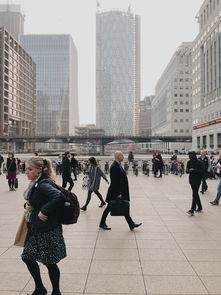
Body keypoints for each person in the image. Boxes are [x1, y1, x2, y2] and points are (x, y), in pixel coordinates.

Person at [21, 157, 66, 295]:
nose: (26, 172)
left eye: (29, 169)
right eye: (26, 169)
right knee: (27, 257)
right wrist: (30, 206)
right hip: (38, 229)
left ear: (39, 170)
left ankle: (56, 292)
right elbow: (36, 201)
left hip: (46, 230)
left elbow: (59, 197)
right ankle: (40, 288)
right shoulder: (36, 183)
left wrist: (43, 211)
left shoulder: (42, 184)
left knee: (50, 262)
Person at [99, 151, 142, 231]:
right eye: (122, 155)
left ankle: (131, 224)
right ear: (118, 156)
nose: (123, 157)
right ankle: (102, 223)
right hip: (115, 192)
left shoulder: (117, 165)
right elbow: (115, 181)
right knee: (109, 208)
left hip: (118, 191)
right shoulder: (114, 166)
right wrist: (118, 193)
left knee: (123, 207)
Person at [186, 151, 205, 216]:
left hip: (197, 180)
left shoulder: (200, 162)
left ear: (193, 155)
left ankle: (192, 209)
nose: (189, 157)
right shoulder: (189, 162)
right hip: (191, 180)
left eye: (190, 155)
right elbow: (187, 171)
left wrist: (194, 170)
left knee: (194, 194)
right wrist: (188, 171)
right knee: (195, 193)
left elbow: (202, 171)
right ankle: (199, 207)